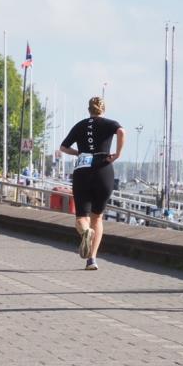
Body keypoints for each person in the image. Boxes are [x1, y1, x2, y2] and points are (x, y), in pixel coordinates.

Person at [59, 96, 125, 270]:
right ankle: (92, 260)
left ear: (88, 109)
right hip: (104, 168)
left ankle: (85, 232)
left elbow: (63, 147)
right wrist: (117, 154)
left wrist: (78, 153)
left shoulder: (80, 125)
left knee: (82, 217)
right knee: (98, 217)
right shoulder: (110, 123)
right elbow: (122, 132)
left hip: (83, 170)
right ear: (103, 109)